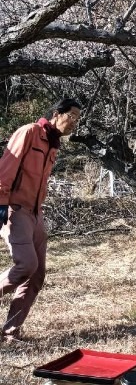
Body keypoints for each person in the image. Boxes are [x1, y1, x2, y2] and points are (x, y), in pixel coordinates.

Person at [0, 97, 82, 341]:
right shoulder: (29, 132)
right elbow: (7, 165)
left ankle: (10, 331)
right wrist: (1, 201)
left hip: (36, 214)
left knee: (36, 276)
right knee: (26, 265)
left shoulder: (54, 144)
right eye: (73, 116)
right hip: (15, 209)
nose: (75, 122)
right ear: (57, 113)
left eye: (78, 118)